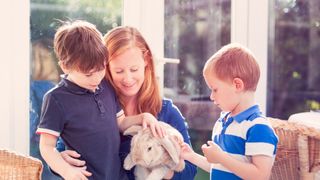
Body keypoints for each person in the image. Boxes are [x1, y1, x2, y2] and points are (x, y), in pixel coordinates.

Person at [59, 26, 197, 180]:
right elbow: (59, 148)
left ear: (146, 62)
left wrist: (159, 168)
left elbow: (190, 170)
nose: (128, 78)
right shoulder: (91, 106)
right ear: (104, 67)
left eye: (134, 69)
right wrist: (61, 160)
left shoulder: (166, 111)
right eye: (119, 71)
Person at [36, 20, 164, 180]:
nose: (96, 78)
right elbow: (46, 147)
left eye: (101, 69)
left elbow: (121, 123)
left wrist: (143, 117)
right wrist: (67, 171)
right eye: (88, 74)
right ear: (65, 66)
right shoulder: (56, 99)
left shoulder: (106, 86)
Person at [181, 43, 278, 179]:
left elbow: (260, 176)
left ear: (237, 85)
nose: (211, 96)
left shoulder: (258, 127)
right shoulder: (223, 122)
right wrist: (191, 156)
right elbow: (219, 167)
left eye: (215, 89)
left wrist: (221, 157)